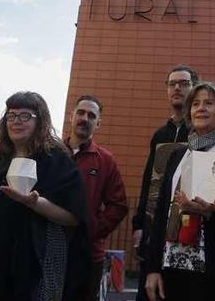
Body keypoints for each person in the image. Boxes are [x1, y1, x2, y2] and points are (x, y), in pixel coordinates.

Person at [0, 91, 90, 301]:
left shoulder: (56, 161)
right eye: (11, 115)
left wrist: (34, 203)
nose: (16, 121)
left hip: (31, 267)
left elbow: (74, 217)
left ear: (40, 121)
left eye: (25, 116)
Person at [145, 82, 215, 301]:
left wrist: (211, 211)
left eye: (209, 103)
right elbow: (161, 211)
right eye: (195, 104)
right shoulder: (177, 155)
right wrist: (152, 268)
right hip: (172, 265)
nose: (201, 108)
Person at [132, 65, 197, 300]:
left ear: (194, 88)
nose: (177, 88)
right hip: (155, 226)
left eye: (184, 83)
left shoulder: (201, 132)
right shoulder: (160, 135)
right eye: (172, 84)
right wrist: (139, 223)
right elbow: (149, 180)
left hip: (189, 225)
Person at [64, 94, 129, 301]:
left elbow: (118, 205)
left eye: (91, 115)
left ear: (98, 123)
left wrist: (90, 230)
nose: (85, 118)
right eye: (81, 113)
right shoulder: (54, 154)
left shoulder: (106, 160)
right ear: (72, 116)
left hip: (88, 255)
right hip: (50, 248)